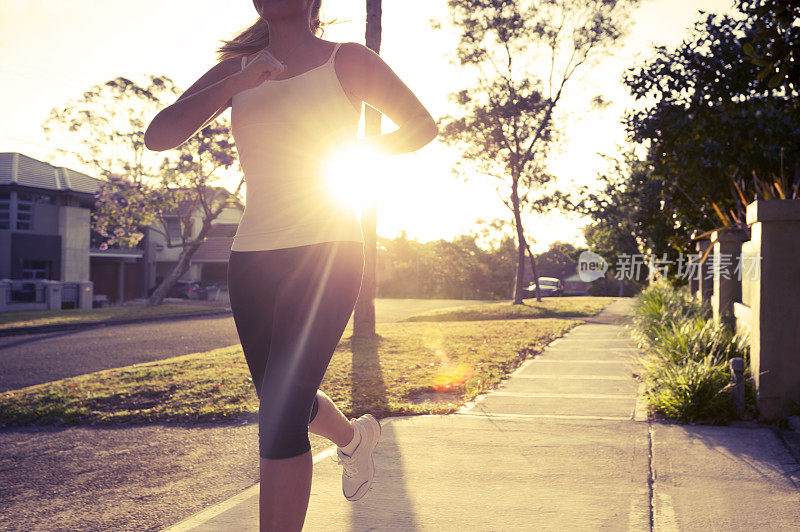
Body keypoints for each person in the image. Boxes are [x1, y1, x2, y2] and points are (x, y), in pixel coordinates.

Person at [144, 1, 438, 530]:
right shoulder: (238, 68)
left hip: (328, 249)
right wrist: (240, 80)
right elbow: (159, 134)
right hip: (252, 257)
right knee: (283, 397)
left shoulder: (347, 60)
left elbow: (421, 126)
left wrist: (355, 150)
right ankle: (354, 437)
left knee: (279, 413)